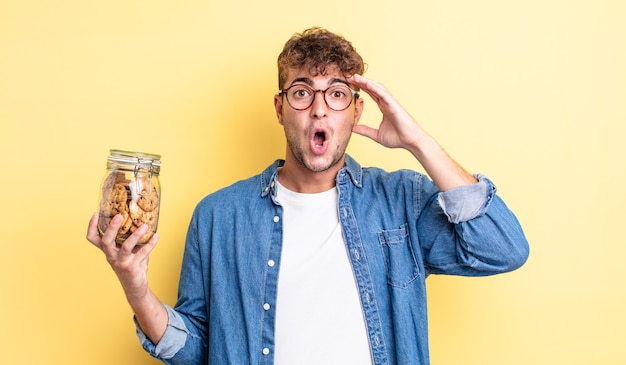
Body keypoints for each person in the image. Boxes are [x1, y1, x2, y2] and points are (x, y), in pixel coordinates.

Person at [87, 27, 529, 365]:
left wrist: (419, 143)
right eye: (302, 92)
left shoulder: (401, 201)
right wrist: (135, 285)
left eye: (337, 94)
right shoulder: (220, 216)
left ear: (357, 111)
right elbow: (196, 348)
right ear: (280, 109)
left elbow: (503, 248)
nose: (319, 108)